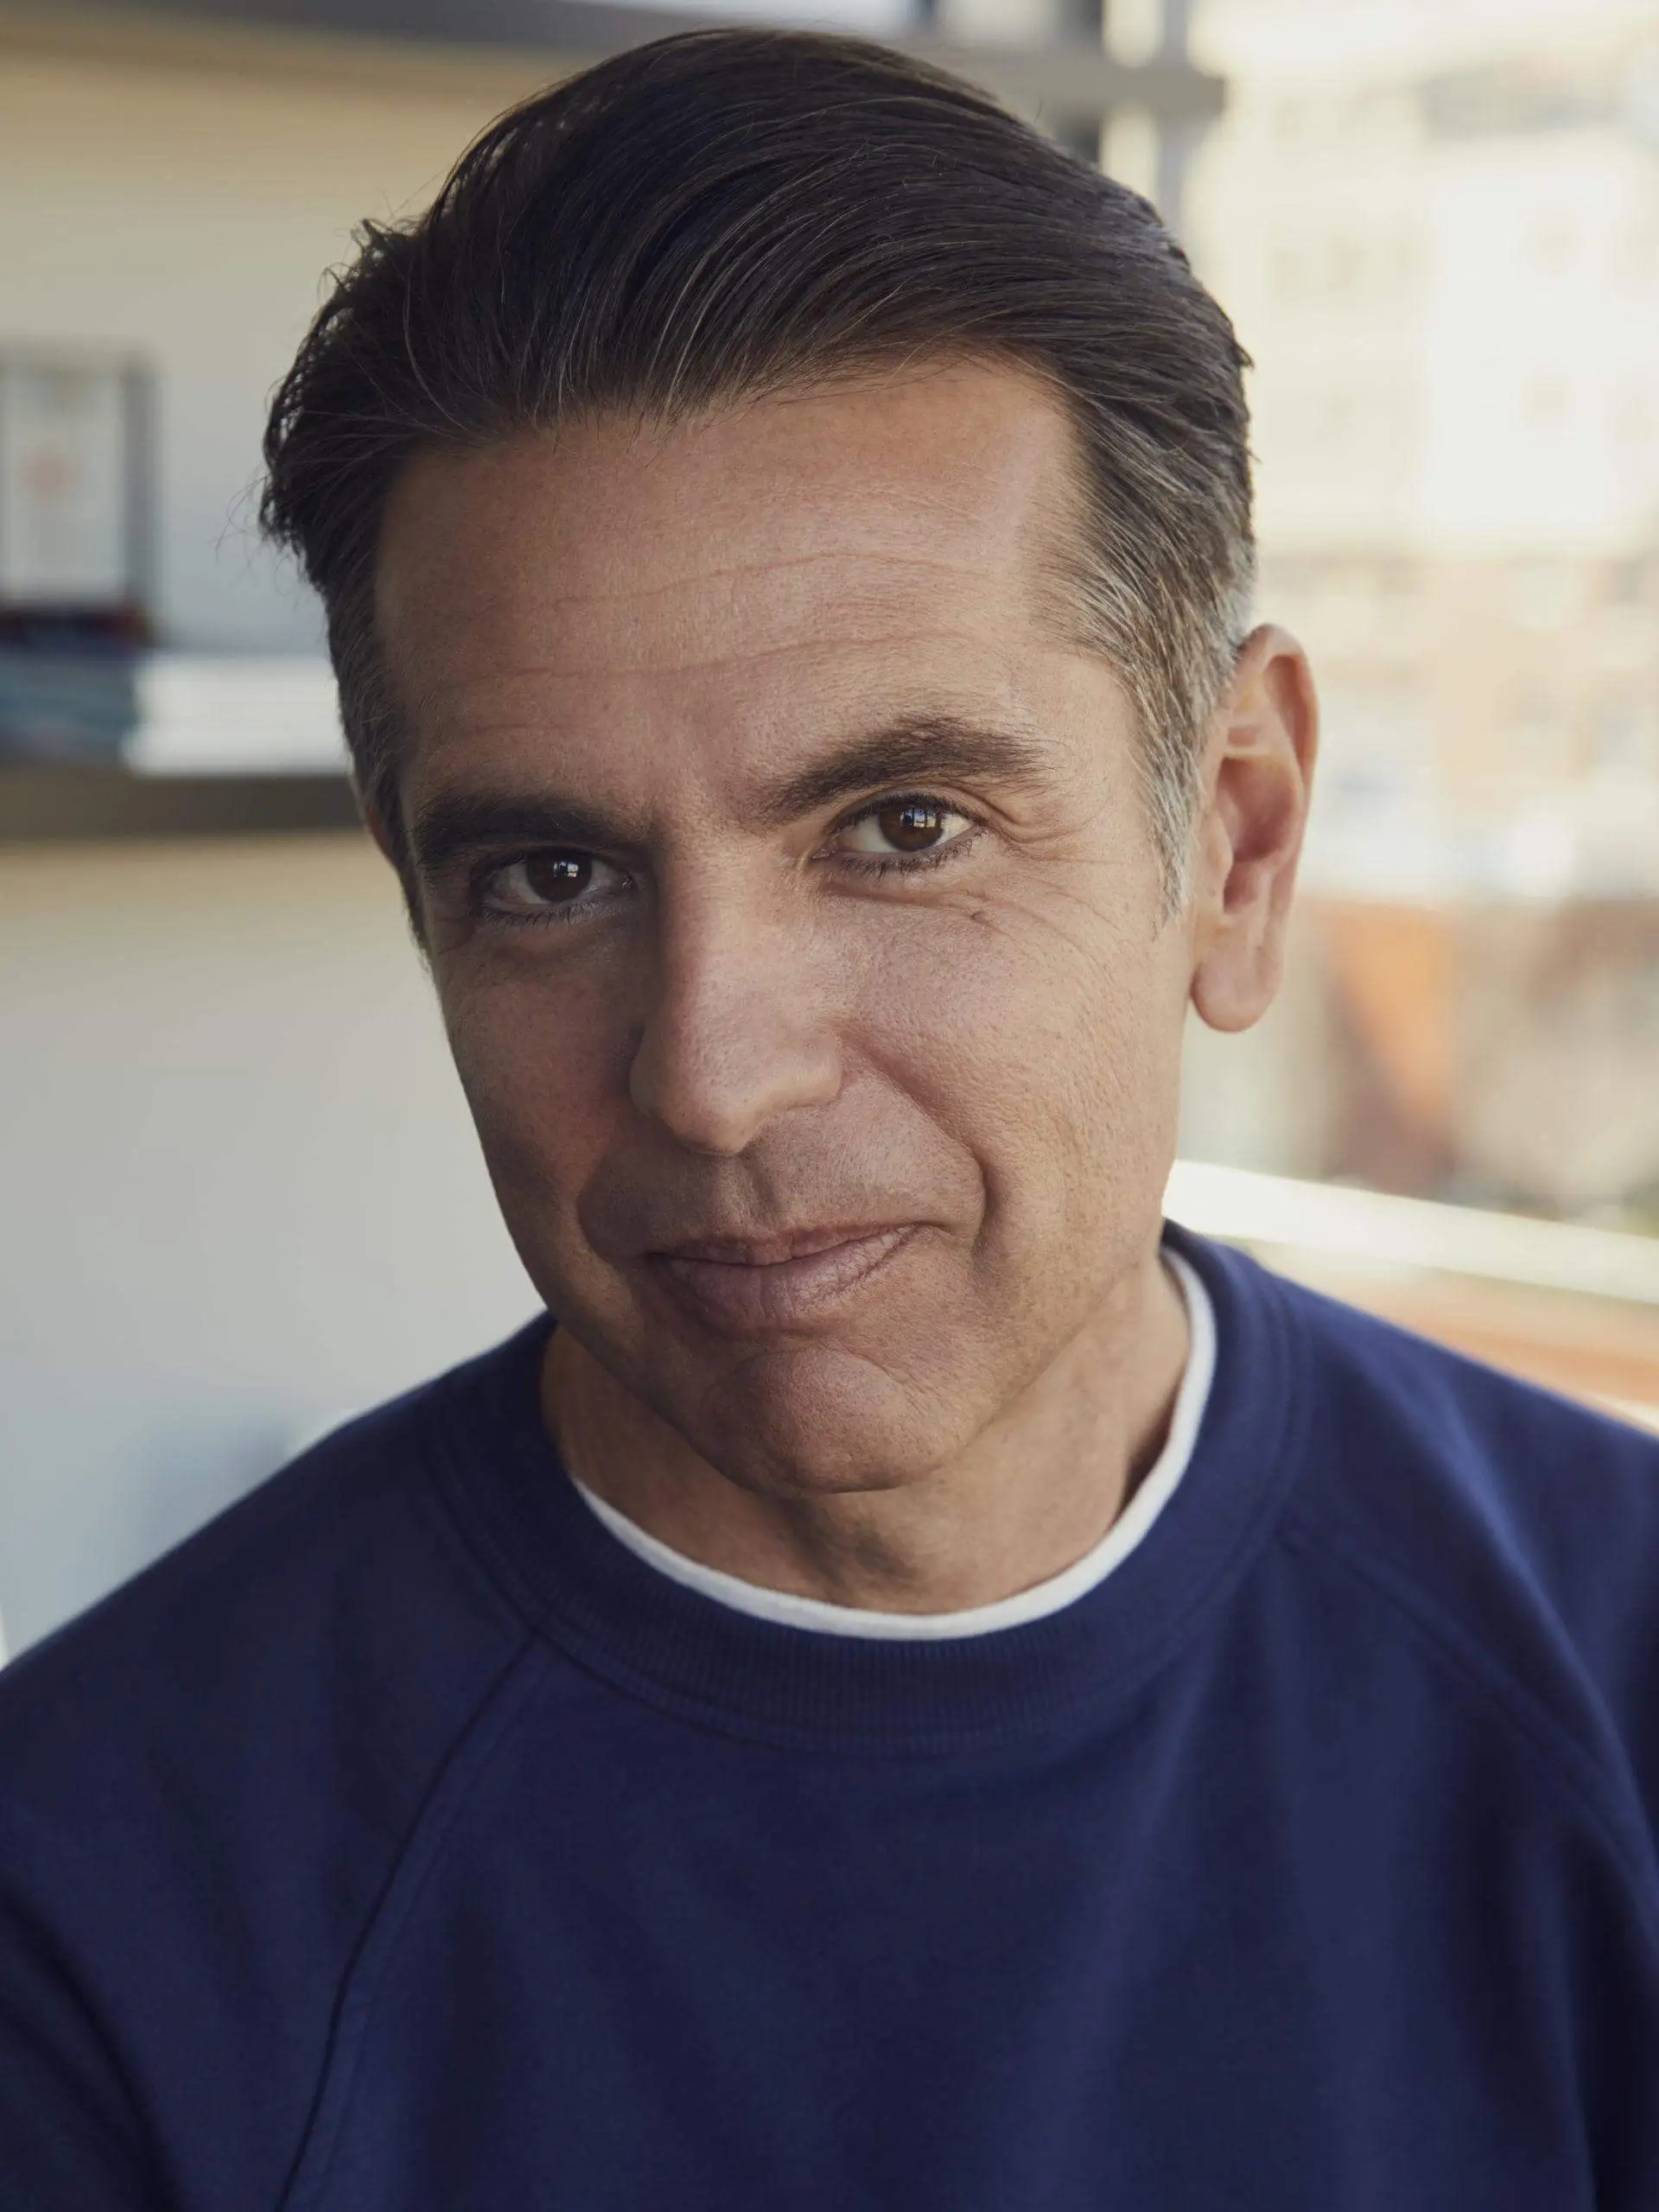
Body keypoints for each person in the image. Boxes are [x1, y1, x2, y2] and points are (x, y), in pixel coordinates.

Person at [2, 29, 1656, 2209]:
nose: (712, 1073)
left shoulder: (1622, 1674)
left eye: (901, 826)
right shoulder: (91, 1905)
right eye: (552, 874)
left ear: (1238, 844)